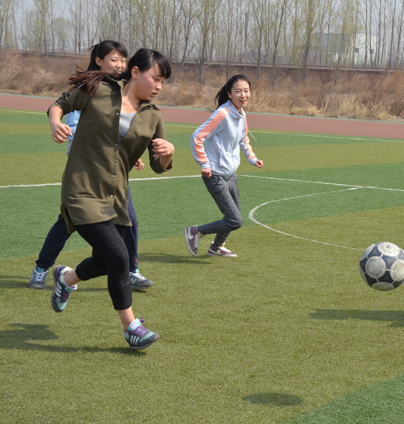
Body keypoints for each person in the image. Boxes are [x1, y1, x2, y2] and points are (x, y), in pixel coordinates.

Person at [47, 48, 174, 349]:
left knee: (104, 262)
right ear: (134, 72)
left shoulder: (153, 116)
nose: (158, 87)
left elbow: (158, 166)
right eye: (155, 78)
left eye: (163, 82)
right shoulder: (99, 90)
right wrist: (55, 123)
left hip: (115, 196)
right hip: (81, 189)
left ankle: (65, 279)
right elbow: (59, 105)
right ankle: (132, 327)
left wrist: (168, 154)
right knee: (120, 258)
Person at [29, 40, 154, 292]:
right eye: (113, 59)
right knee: (66, 223)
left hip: (114, 170)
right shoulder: (88, 88)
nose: (119, 65)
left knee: (128, 219)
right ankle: (42, 268)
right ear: (99, 60)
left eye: (122, 60)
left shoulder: (122, 90)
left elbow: (120, 127)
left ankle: (132, 270)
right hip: (86, 168)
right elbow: (59, 107)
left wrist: (130, 151)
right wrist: (56, 125)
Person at [184, 75, 264, 257]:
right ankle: (196, 232)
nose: (243, 95)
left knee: (233, 217)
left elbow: (243, 138)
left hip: (230, 174)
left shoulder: (242, 114)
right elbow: (197, 136)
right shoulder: (223, 114)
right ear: (229, 94)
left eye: (246, 91)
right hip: (215, 174)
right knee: (235, 220)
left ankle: (216, 247)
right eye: (238, 91)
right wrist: (204, 163)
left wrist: (252, 158)